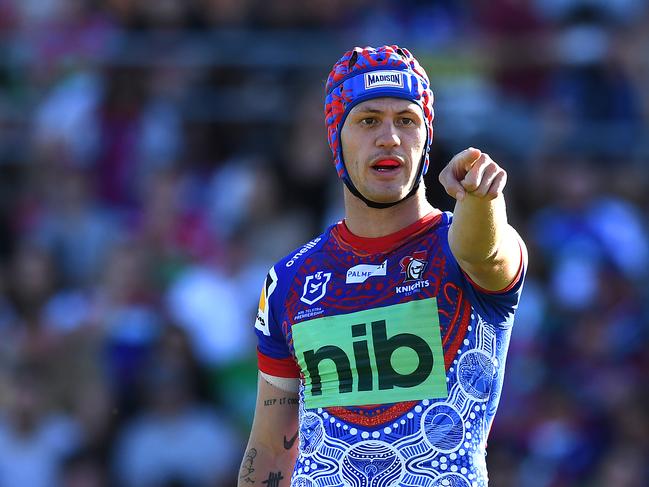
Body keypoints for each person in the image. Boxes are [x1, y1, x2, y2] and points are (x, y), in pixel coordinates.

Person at [238, 45, 527, 487]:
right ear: (336, 136)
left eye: (406, 121)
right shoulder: (289, 280)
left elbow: (484, 248)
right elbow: (269, 449)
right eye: (368, 120)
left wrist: (480, 197)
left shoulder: (460, 249)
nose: (390, 137)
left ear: (426, 137)